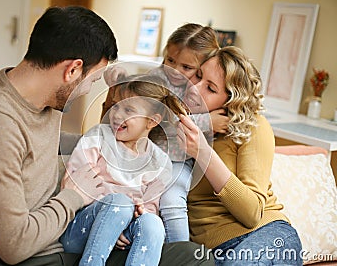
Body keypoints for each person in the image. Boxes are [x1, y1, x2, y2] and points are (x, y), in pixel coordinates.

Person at [0, 5, 118, 265]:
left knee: (177, 252)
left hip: (49, 246)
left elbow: (40, 146)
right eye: (92, 81)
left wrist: (114, 146)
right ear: (72, 70)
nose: (88, 90)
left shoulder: (45, 101)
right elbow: (14, 246)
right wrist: (75, 195)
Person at [102, 23, 229, 243]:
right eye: (170, 61)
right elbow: (163, 121)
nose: (175, 70)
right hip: (147, 153)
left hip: (179, 159)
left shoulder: (203, 89)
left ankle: (180, 253)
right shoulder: (157, 77)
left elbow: (186, 129)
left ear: (203, 67)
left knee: (172, 202)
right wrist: (119, 82)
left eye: (187, 67)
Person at [178, 46, 303, 265]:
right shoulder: (175, 129)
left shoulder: (253, 127)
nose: (195, 88)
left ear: (230, 101)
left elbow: (251, 213)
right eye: (198, 76)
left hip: (266, 234)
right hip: (211, 253)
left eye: (210, 88)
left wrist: (203, 152)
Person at [60, 74, 187, 265]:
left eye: (128, 109)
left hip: (125, 237)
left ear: (152, 121)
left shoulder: (160, 163)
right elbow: (74, 184)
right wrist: (114, 218)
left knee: (153, 224)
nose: (117, 114)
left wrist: (136, 214)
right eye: (116, 106)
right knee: (120, 203)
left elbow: (150, 207)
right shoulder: (98, 137)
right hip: (80, 229)